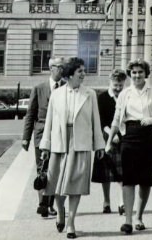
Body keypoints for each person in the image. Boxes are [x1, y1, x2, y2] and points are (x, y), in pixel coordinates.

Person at [39, 57, 105, 239]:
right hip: (60, 143)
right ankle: (60, 212)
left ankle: (71, 222)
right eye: (80, 71)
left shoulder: (90, 94)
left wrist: (99, 145)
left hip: (81, 143)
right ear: (69, 75)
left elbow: (95, 122)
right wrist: (45, 146)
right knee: (57, 185)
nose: (84, 74)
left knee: (75, 185)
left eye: (84, 71)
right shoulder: (57, 94)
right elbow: (49, 122)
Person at [106, 58, 152, 234]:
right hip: (130, 137)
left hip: (149, 137)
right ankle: (127, 221)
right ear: (130, 74)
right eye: (133, 72)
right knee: (129, 180)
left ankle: (139, 216)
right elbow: (116, 120)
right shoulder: (125, 94)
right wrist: (109, 141)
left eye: (140, 72)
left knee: (145, 181)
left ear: (145, 74)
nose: (137, 75)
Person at [21, 56, 66, 218]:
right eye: (58, 66)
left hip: (60, 137)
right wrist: (26, 137)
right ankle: (42, 204)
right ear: (51, 68)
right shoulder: (39, 88)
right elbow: (30, 115)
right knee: (42, 169)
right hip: (41, 136)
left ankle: (50, 203)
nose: (62, 69)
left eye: (63, 67)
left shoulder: (66, 88)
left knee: (55, 171)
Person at [92, 69, 127, 215]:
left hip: (124, 137)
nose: (118, 89)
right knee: (105, 173)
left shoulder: (126, 96)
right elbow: (100, 120)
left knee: (122, 173)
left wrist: (121, 134)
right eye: (115, 86)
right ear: (110, 82)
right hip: (106, 136)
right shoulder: (102, 98)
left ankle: (122, 202)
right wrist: (111, 135)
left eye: (120, 86)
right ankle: (106, 201)